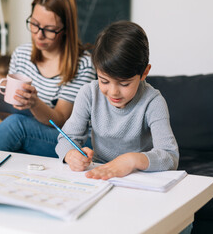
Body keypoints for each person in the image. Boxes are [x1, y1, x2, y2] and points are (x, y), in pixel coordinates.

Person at [0, 0, 96, 157]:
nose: (39, 35)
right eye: (34, 24)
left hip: (72, 141)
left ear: (66, 29)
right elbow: (9, 117)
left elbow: (61, 122)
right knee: (15, 136)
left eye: (50, 29)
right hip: (33, 136)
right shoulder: (21, 54)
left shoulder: (83, 64)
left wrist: (35, 104)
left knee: (18, 126)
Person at [55, 20, 180, 180]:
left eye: (124, 83)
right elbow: (66, 138)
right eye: (104, 81)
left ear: (144, 72)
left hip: (138, 175)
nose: (113, 92)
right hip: (99, 172)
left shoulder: (153, 102)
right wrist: (70, 154)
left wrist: (132, 160)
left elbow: (170, 156)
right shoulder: (88, 94)